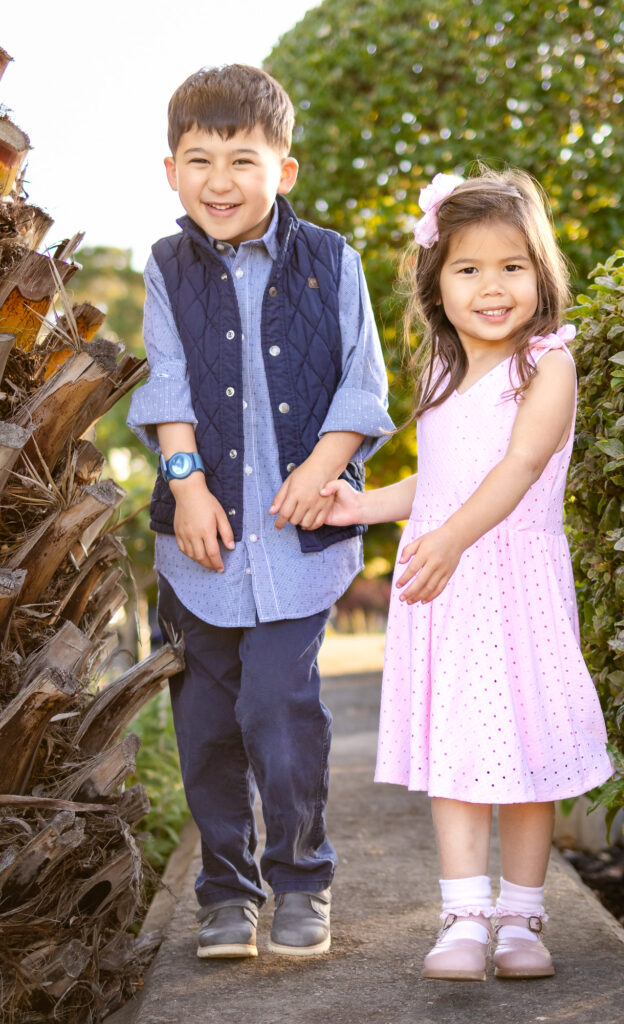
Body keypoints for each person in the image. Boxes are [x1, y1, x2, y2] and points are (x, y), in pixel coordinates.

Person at [127, 64, 393, 960]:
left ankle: (302, 880)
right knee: (205, 729)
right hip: (200, 542)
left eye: (243, 160)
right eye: (200, 161)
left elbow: (363, 384)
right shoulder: (166, 266)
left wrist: (322, 467)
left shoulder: (332, 259)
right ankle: (225, 892)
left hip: (298, 540)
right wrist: (188, 486)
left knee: (280, 713)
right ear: (172, 171)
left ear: (284, 169)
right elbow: (166, 381)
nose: (221, 181)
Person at [320, 167, 613, 981]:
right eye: (469, 268)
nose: (491, 286)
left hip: (514, 589)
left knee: (525, 758)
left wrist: (450, 538)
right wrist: (362, 506)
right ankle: (462, 917)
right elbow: (440, 482)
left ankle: (521, 919)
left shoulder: (546, 363)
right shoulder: (442, 375)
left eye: (512, 267)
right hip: (447, 594)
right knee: (458, 752)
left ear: (541, 275)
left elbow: (519, 466)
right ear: (436, 283)